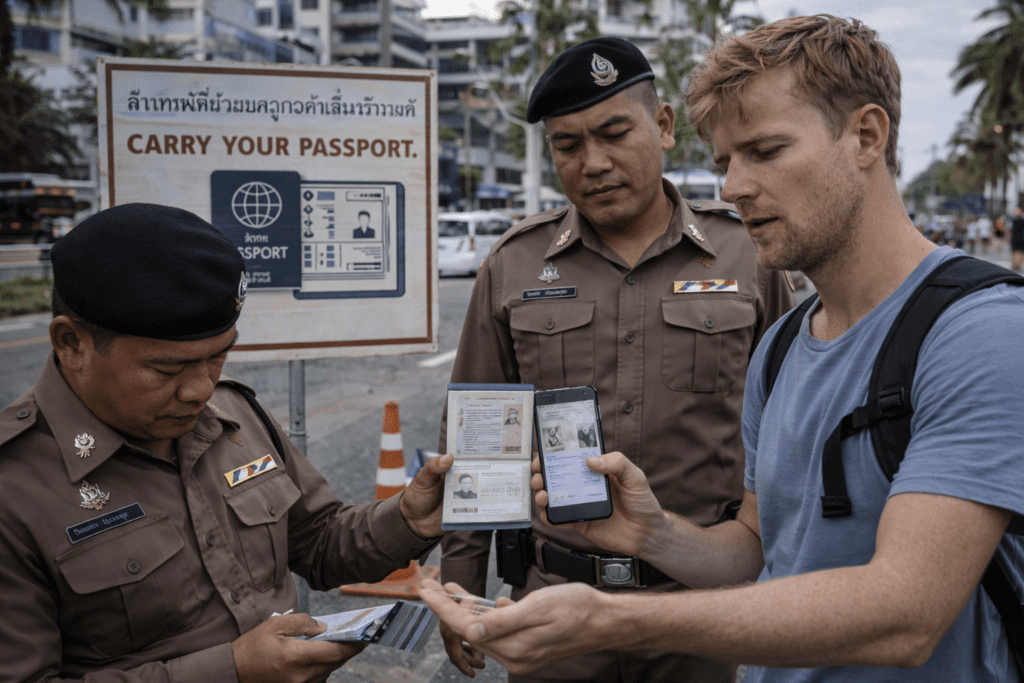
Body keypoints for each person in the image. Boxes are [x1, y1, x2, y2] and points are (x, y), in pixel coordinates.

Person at [421, 14, 1024, 683]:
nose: (734, 187)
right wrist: (651, 532)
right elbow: (757, 545)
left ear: (867, 135)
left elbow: (907, 611)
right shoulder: (782, 348)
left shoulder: (982, 331)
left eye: (764, 152)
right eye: (725, 163)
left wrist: (615, 618)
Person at [436, 36, 794, 683]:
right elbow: (481, 442)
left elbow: (789, 429)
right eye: (567, 145)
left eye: (613, 132)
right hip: (557, 608)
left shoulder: (746, 258)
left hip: (704, 608)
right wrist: (461, 583)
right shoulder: (515, 263)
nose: (592, 162)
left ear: (662, 127)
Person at [0, 203, 453, 682]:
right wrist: (231, 671)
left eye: (219, 356)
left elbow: (319, 543)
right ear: (71, 343)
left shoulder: (232, 413)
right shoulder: (15, 486)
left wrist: (408, 520)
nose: (200, 389)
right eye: (167, 369)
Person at [1012, 206, 1024, 272]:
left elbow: (1009, 230)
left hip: (1014, 238)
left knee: (1014, 252)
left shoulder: (1013, 221)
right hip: (1021, 238)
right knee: (1021, 252)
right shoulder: (1023, 221)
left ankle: (1014, 265)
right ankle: (1018, 265)